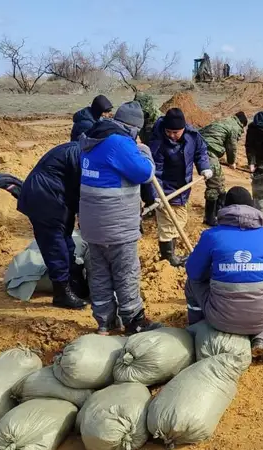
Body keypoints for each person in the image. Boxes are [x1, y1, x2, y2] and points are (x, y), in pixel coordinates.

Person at [78, 101, 163, 335]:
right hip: (116, 225)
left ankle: (105, 322)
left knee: (100, 274)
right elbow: (144, 173)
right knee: (126, 273)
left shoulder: (93, 137)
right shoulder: (118, 142)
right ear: (133, 127)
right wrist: (144, 151)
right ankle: (133, 321)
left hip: (92, 225)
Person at [184, 186, 263, 363]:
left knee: (192, 283)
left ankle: (197, 327)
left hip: (220, 319)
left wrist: (219, 272)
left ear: (225, 208)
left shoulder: (211, 235)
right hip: (260, 317)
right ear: (252, 207)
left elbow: (194, 272)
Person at [17, 142, 87, 310]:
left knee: (65, 239)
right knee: (55, 244)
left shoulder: (81, 150)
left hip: (55, 194)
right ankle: (61, 293)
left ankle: (72, 281)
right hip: (44, 197)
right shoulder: (79, 155)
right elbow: (82, 190)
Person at [147, 108, 213, 266]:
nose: (171, 135)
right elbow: (156, 173)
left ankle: (170, 255)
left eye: (175, 132)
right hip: (166, 189)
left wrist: (204, 166)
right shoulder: (158, 142)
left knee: (179, 219)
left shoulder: (192, 136)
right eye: (168, 131)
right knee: (168, 222)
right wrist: (157, 195)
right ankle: (168, 258)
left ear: (183, 128)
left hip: (183, 187)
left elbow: (201, 152)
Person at [199, 112, 248, 226]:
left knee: (220, 183)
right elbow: (232, 147)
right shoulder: (234, 126)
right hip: (208, 153)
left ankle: (219, 213)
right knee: (214, 185)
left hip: (205, 150)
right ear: (242, 123)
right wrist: (231, 162)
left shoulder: (225, 121)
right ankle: (210, 218)